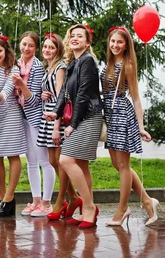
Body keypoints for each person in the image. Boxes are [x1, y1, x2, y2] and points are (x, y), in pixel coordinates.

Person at [46, 24, 103, 229]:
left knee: (66, 160)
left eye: (80, 36)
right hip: (79, 117)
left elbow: (83, 95)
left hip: (89, 116)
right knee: (82, 164)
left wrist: (73, 124)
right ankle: (90, 208)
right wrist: (57, 112)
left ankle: (87, 206)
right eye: (72, 35)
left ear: (88, 42)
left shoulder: (88, 61)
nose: (75, 38)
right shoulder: (73, 62)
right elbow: (64, 94)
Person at [102, 27, 159, 226]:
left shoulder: (128, 65)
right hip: (109, 115)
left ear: (126, 45)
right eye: (113, 41)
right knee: (117, 164)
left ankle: (122, 209)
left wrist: (141, 127)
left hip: (122, 115)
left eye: (120, 42)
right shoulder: (108, 63)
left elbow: (135, 98)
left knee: (124, 165)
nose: (115, 45)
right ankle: (147, 200)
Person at [37, 32, 81, 221]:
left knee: (60, 161)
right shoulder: (49, 68)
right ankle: (73, 197)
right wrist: (43, 95)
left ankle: (60, 200)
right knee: (54, 162)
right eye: (45, 46)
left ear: (58, 50)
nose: (47, 50)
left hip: (57, 118)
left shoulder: (60, 68)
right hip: (47, 115)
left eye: (51, 47)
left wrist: (57, 126)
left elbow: (62, 97)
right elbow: (53, 93)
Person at [0, 34, 27, 217]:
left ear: (6, 51)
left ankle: (9, 197)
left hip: (11, 115)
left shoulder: (13, 70)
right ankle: (1, 196)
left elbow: (2, 97)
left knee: (12, 155)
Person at [14, 31, 55, 217]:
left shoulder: (37, 67)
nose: (26, 48)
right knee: (30, 161)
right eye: (24, 44)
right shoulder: (16, 64)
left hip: (36, 116)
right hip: (22, 116)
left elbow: (33, 100)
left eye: (31, 45)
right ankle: (36, 200)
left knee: (44, 161)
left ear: (36, 48)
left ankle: (47, 203)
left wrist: (21, 86)